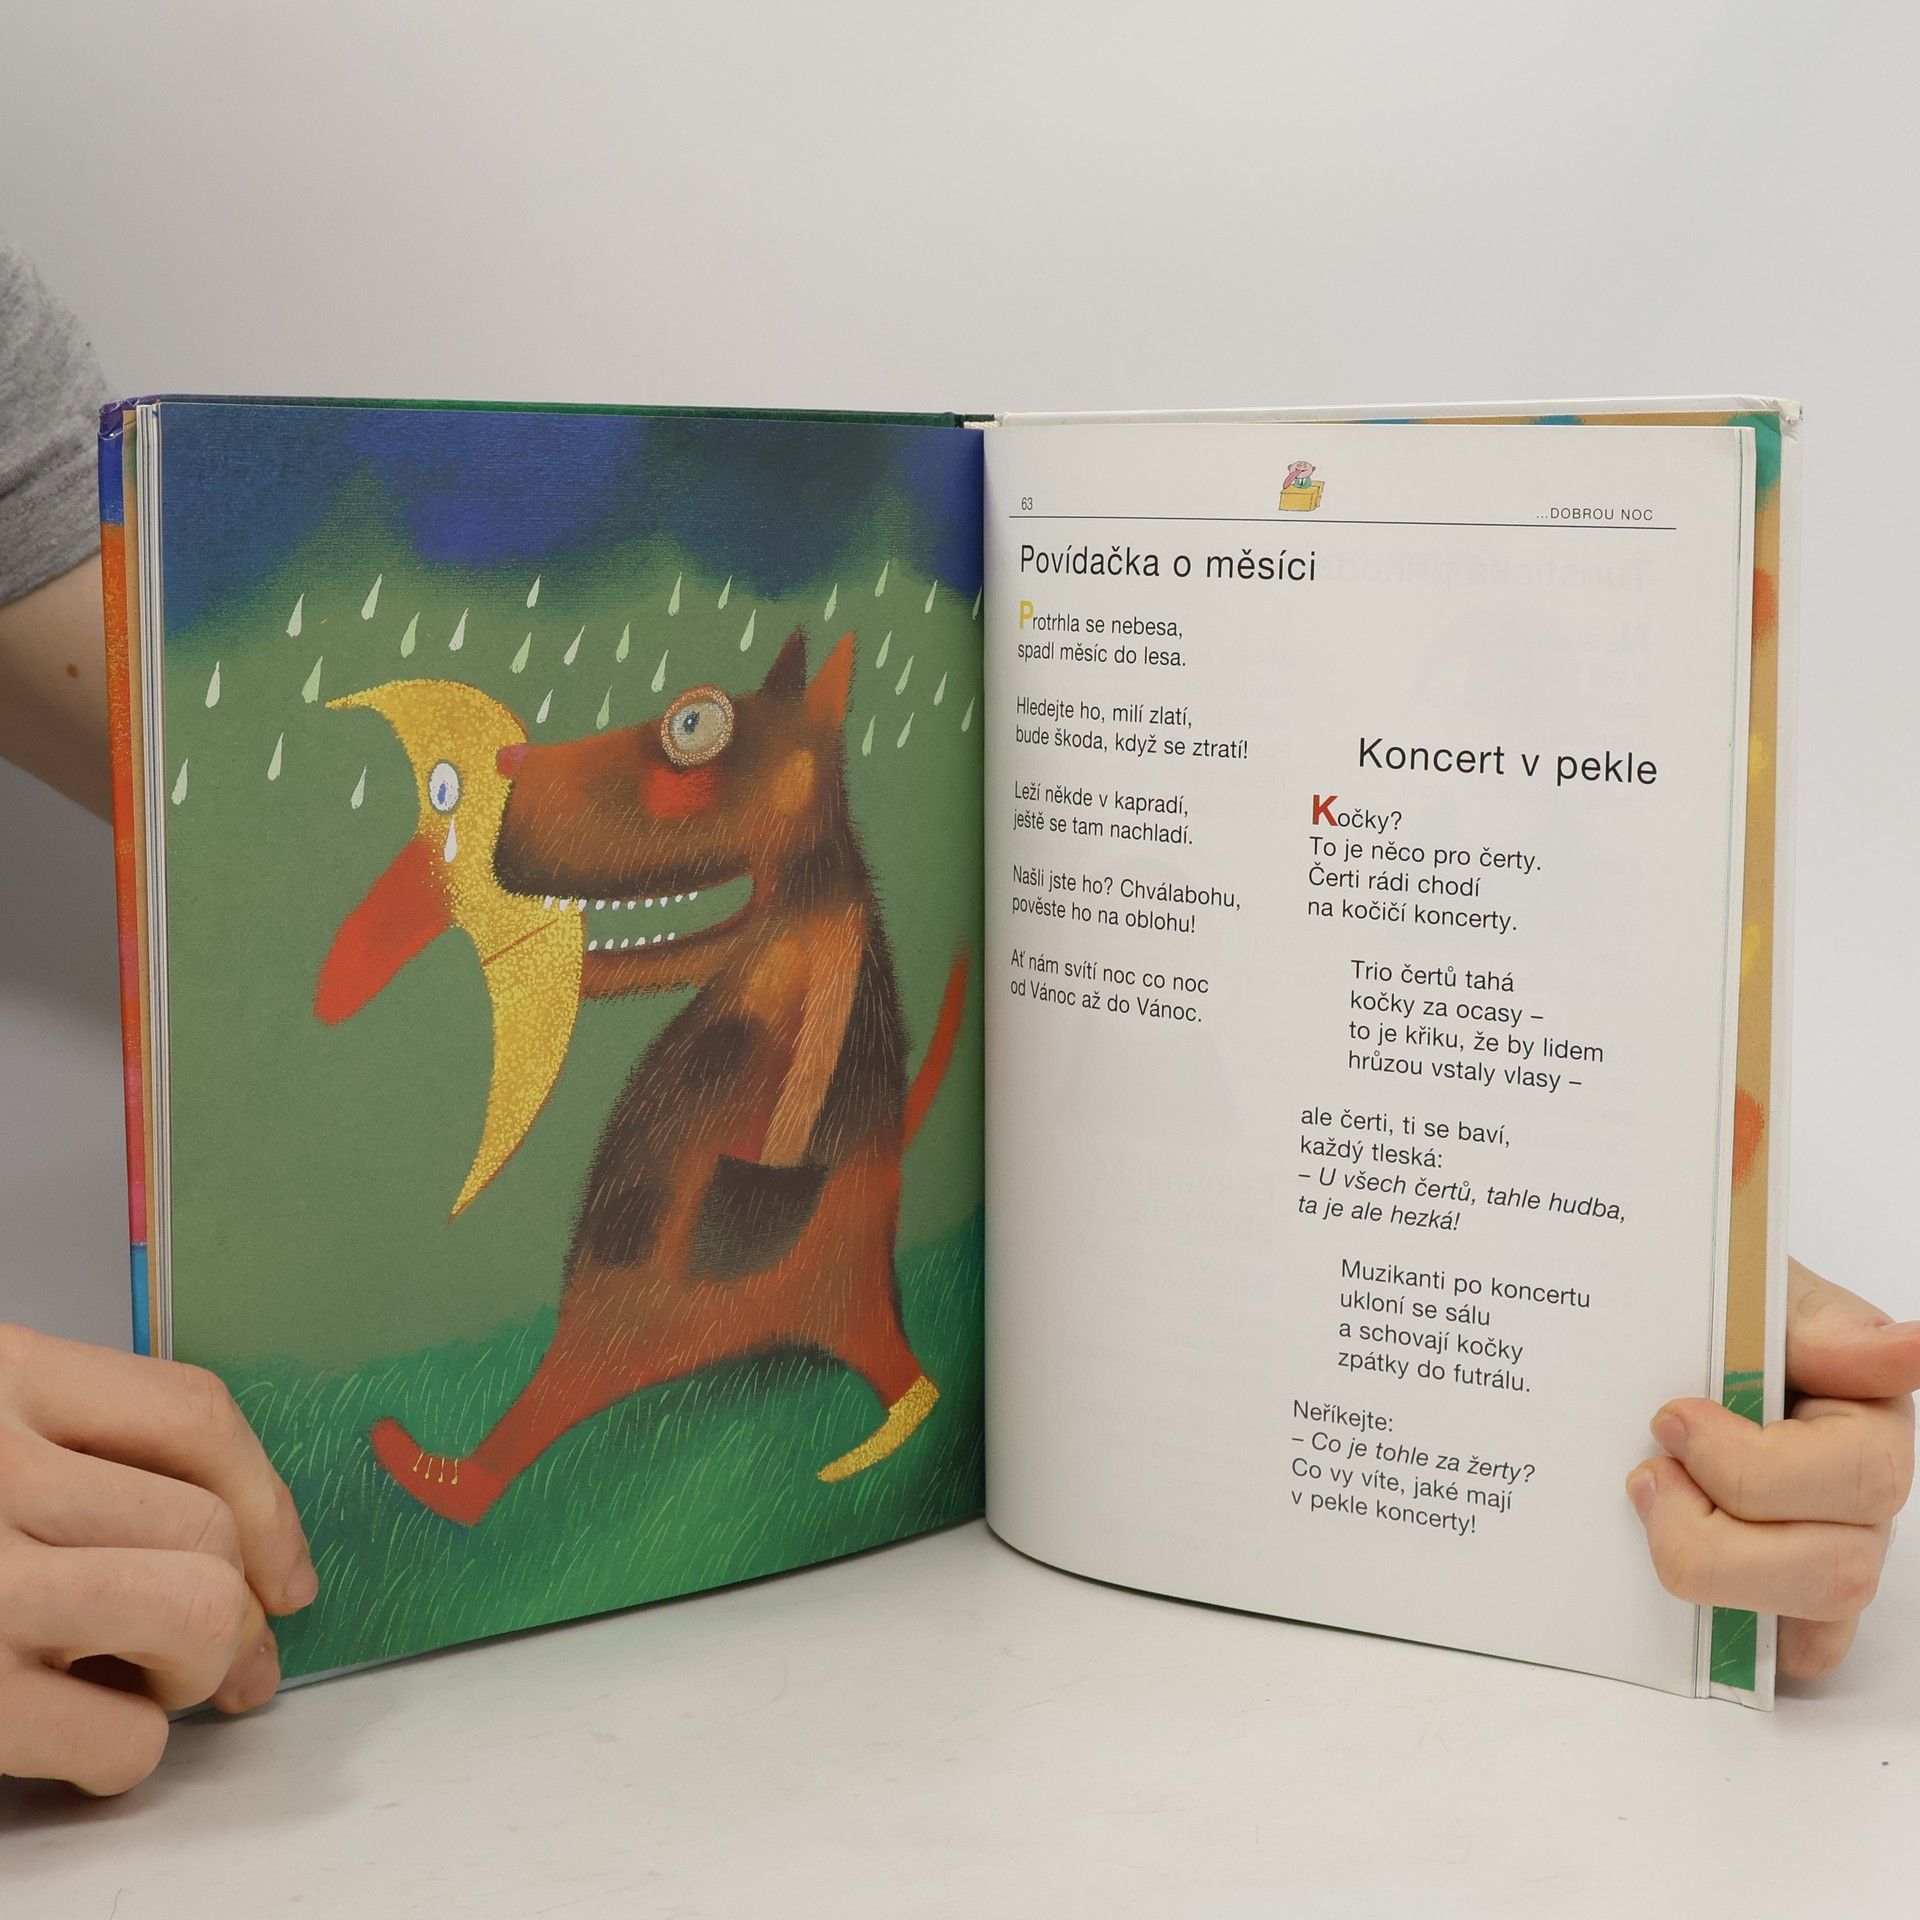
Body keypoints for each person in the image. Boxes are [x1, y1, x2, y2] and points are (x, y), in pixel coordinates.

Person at [0, 242, 1914, 1799]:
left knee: (818, 1286)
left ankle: (880, 1383)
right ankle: (549, 1451)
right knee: (619, 1310)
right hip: (665, 1332)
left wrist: (1617, 1265)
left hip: (801, 1251)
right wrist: (570, 946)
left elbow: (154, 724)